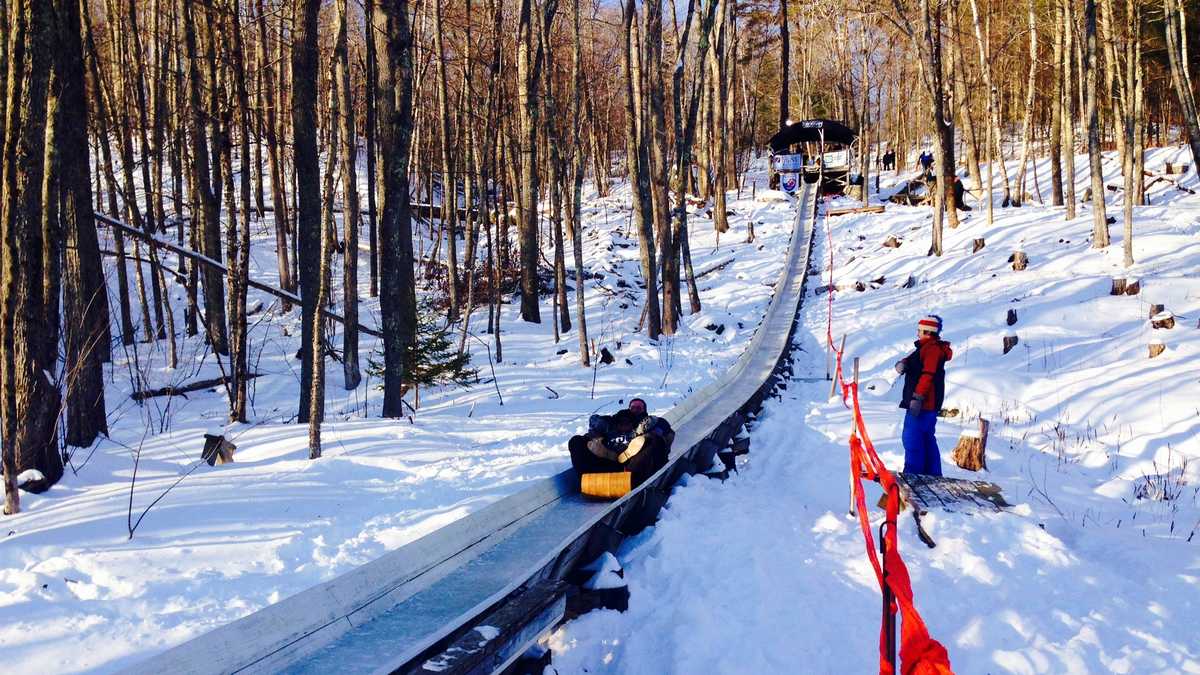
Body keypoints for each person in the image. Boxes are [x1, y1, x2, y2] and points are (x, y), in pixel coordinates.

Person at [894, 315, 953, 475]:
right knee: (926, 439)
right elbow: (915, 359)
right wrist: (904, 363)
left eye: (919, 331)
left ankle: (913, 477)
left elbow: (928, 374)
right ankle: (932, 476)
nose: (917, 333)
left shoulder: (932, 349)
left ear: (928, 331)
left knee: (912, 439)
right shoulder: (926, 348)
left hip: (923, 405)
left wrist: (917, 397)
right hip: (925, 405)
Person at [568, 399, 673, 487]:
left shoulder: (649, 422)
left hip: (633, 469)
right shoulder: (613, 422)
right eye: (633, 407)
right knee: (576, 440)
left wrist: (649, 433)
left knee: (653, 440)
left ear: (644, 410)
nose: (635, 409)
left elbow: (664, 428)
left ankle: (638, 477)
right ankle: (584, 479)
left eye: (639, 407)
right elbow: (595, 422)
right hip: (608, 464)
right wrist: (596, 436)